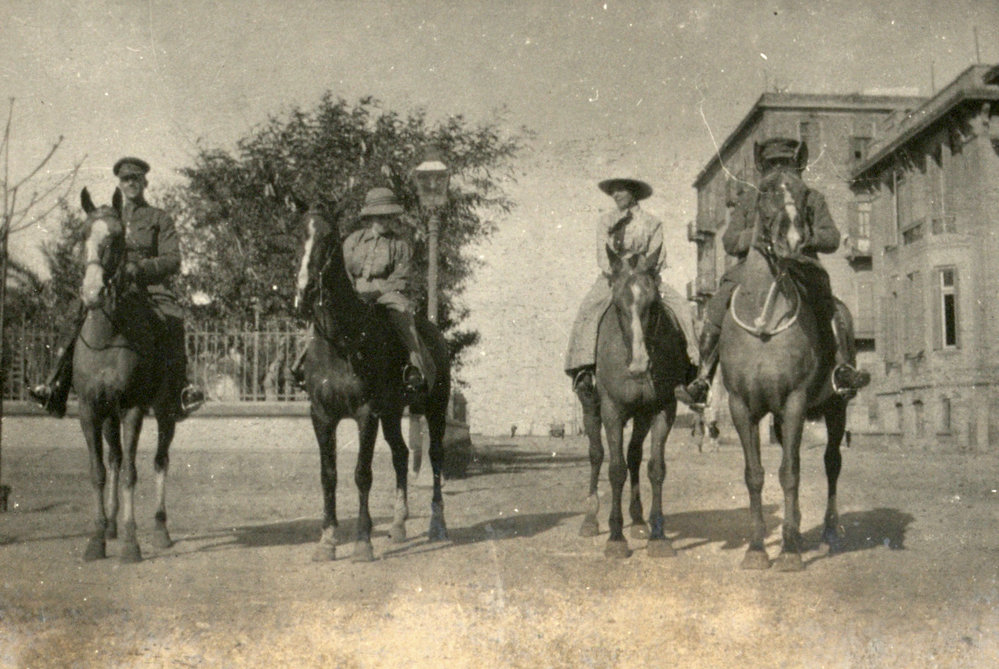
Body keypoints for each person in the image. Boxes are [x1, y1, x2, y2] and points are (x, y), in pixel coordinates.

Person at [675, 137, 871, 406]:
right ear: (763, 168)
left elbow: (832, 238)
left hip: (801, 264)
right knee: (718, 304)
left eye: (786, 165)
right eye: (773, 165)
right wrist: (756, 237)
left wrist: (806, 237)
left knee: (830, 306)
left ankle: (842, 367)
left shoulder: (812, 198)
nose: (780, 171)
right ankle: (703, 378)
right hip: (751, 268)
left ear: (798, 167)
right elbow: (730, 241)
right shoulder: (749, 201)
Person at [29, 157, 204, 419]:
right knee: (76, 313)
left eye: (136, 178)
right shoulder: (110, 217)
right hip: (113, 288)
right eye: (125, 179)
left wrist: (142, 268)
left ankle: (182, 388)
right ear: (120, 184)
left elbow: (173, 259)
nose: (131, 183)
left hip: (150, 290)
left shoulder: (159, 218)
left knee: (172, 320)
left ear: (144, 182)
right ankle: (54, 386)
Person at [564, 177, 699, 399]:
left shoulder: (652, 223)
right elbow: (602, 255)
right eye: (613, 192)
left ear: (633, 193)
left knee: (682, 307)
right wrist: (621, 271)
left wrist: (642, 271)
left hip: (646, 277)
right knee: (588, 309)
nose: (615, 195)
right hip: (614, 277)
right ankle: (584, 368)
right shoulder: (606, 221)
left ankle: (691, 370)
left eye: (621, 191)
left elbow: (659, 254)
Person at [341, 186, 431, 392]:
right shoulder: (353, 241)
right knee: (326, 311)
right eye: (379, 217)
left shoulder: (400, 245)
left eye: (388, 217)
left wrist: (378, 292)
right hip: (355, 292)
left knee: (402, 314)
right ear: (370, 218)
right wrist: (352, 292)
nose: (384, 221)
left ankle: (414, 367)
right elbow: (344, 270)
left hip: (387, 293)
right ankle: (302, 362)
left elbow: (400, 277)